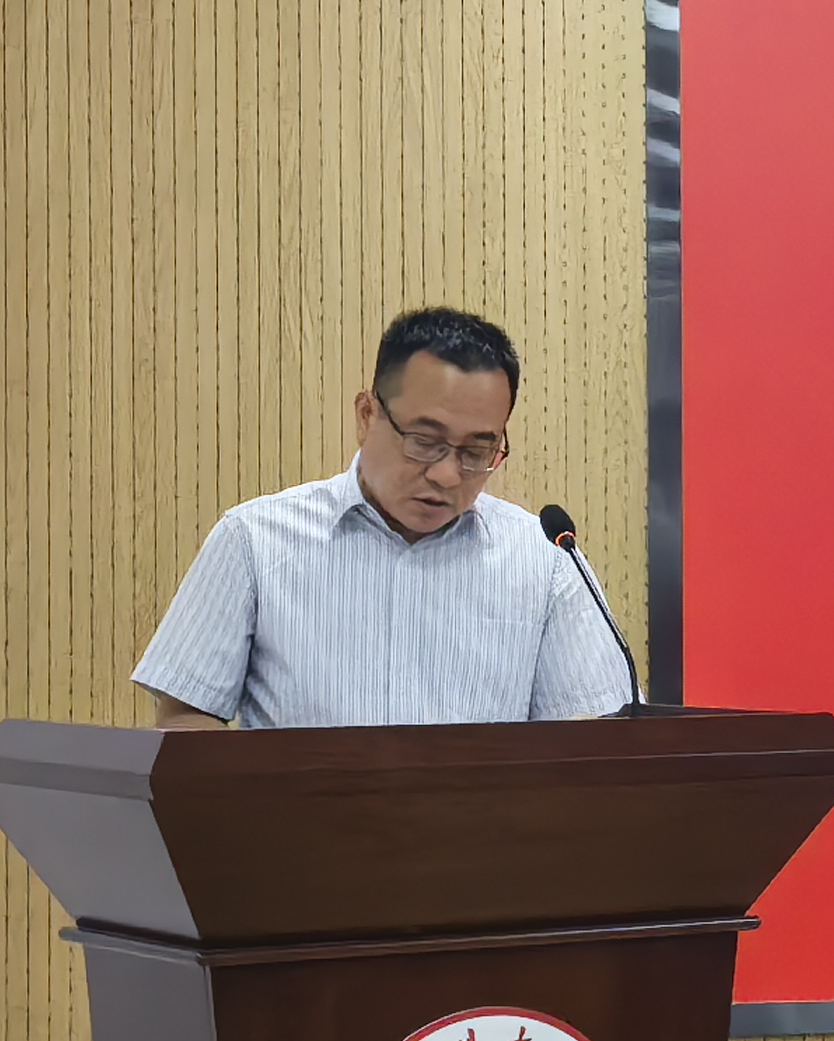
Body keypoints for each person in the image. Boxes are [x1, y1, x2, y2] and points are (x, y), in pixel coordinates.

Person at [134, 307, 631, 730]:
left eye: (476, 451)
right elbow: (186, 716)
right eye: (424, 441)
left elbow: (595, 738)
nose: (446, 474)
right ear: (367, 415)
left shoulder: (546, 560)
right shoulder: (255, 541)